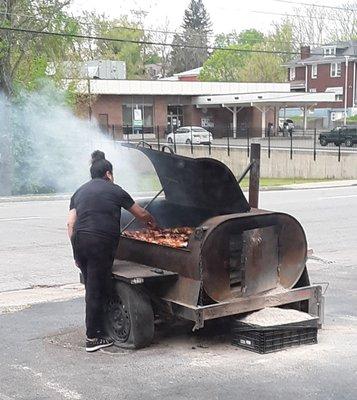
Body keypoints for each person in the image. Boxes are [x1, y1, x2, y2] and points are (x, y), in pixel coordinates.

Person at [67, 150, 156, 353]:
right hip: (100, 244)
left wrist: (76, 252)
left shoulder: (79, 192)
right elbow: (140, 213)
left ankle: (99, 328)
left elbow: (70, 224)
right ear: (108, 173)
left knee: (93, 286)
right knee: (95, 289)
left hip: (81, 243)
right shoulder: (115, 190)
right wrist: (152, 222)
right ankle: (92, 338)